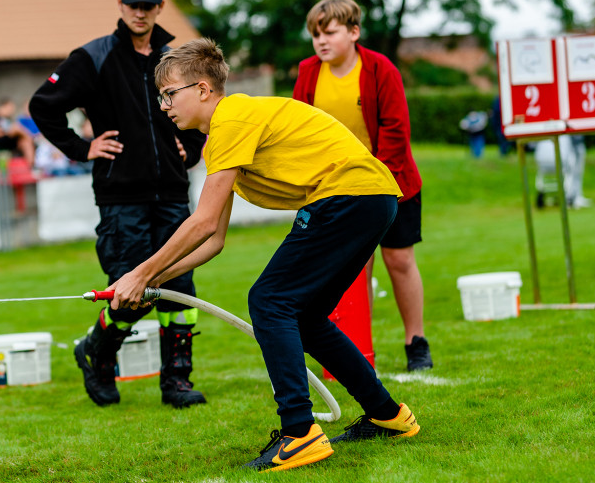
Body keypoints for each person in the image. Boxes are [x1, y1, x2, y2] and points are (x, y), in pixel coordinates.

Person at [111, 38, 421, 472]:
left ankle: (300, 433)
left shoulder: (231, 120)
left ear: (202, 89)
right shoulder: (225, 135)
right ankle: (389, 416)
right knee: (305, 318)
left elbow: (200, 222)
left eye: (169, 94)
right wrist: (153, 281)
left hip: (350, 196)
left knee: (270, 301)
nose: (164, 106)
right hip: (370, 197)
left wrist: (138, 273)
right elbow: (214, 240)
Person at [30, 0, 208, 409]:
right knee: (131, 290)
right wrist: (81, 147)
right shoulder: (94, 57)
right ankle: (98, 355)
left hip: (171, 190)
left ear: (161, 6)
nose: (141, 13)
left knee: (179, 287)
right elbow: (43, 105)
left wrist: (192, 147)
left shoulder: (177, 58)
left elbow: (204, 106)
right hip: (120, 196)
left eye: (149, 6)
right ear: (120, 4)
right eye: (133, 5)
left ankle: (177, 382)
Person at [292, 0, 432, 372]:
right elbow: (299, 130)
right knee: (354, 269)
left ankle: (416, 342)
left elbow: (396, 131)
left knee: (399, 260)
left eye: (330, 32)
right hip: (337, 189)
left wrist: (376, 186)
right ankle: (356, 350)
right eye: (315, 35)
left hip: (393, 182)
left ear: (354, 32)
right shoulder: (308, 72)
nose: (321, 41)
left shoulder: (379, 68)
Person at [0, 97, 35, 167]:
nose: (12, 110)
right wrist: (7, 132)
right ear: (4, 106)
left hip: (11, 143)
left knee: (25, 142)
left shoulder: (8, 119)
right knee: (18, 130)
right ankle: (29, 137)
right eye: (10, 108)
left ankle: (31, 165)